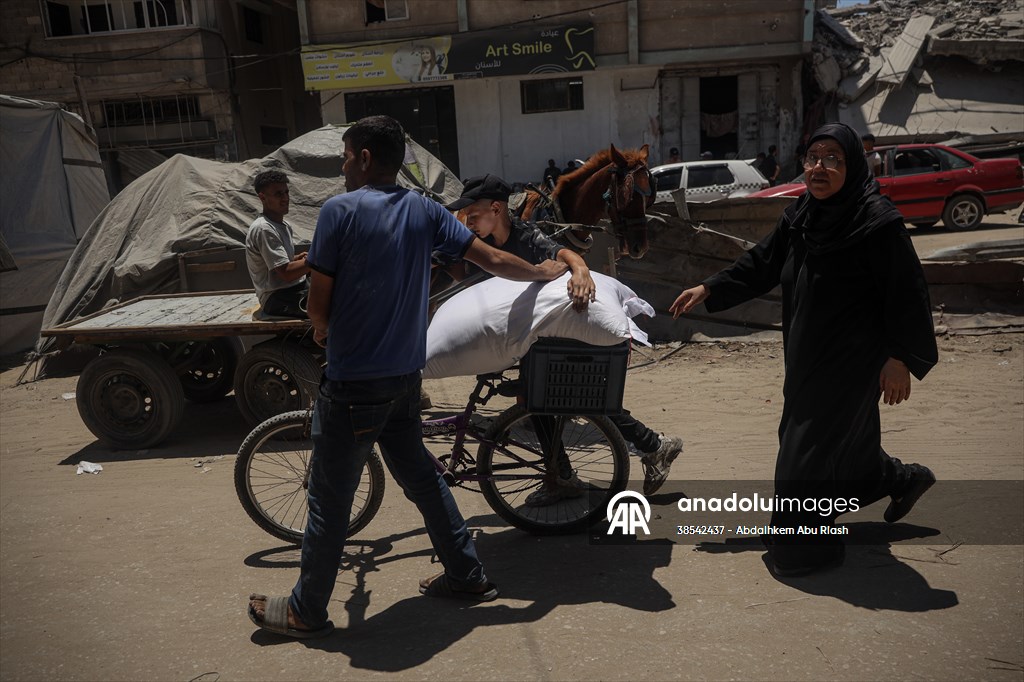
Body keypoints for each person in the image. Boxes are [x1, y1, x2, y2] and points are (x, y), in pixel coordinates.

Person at [247, 115, 567, 639]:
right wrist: (540, 271)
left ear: (366, 157)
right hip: (402, 379)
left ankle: (307, 609)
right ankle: (466, 574)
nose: (345, 166)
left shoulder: (338, 212)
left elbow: (318, 302)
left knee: (329, 498)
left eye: (347, 157)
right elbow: (491, 259)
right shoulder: (425, 210)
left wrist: (322, 329)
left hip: (353, 383)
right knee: (420, 475)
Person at [670, 122, 938, 578]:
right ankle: (901, 478)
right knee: (833, 445)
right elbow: (762, 264)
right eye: (813, 157)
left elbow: (908, 292)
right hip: (808, 354)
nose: (820, 167)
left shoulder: (877, 222)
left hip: (853, 361)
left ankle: (805, 551)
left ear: (851, 167)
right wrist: (710, 288)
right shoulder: (802, 215)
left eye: (833, 159)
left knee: (806, 452)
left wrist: (900, 358)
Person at [447, 174, 685, 500]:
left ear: (496, 208)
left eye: (473, 214)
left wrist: (582, 271)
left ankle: (640, 450)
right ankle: (572, 473)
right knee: (546, 402)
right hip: (528, 342)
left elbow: (564, 254)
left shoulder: (524, 235)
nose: (468, 221)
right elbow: (470, 280)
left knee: (566, 399)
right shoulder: (481, 245)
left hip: (558, 338)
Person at [245, 170, 311, 319]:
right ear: (262, 197)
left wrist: (297, 259)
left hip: (293, 290)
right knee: (328, 308)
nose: (285, 198)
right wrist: (315, 261)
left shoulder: (284, 225)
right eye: (278, 194)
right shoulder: (264, 228)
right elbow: (286, 273)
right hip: (277, 298)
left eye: (286, 192)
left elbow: (278, 264)